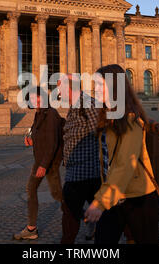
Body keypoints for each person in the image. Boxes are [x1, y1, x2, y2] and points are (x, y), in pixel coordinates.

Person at [85, 64, 159, 244]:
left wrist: (100, 202)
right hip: (115, 197)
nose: (94, 89)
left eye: (99, 84)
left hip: (139, 199)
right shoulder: (107, 117)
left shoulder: (131, 120)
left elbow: (125, 164)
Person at [14, 87, 63, 240]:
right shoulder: (39, 114)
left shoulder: (50, 114)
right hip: (41, 160)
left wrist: (43, 165)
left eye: (38, 98)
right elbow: (41, 136)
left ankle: (86, 217)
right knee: (32, 189)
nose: (35, 101)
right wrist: (32, 140)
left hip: (49, 162)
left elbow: (52, 142)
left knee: (58, 195)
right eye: (32, 98)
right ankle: (31, 228)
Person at [59, 74, 101, 244]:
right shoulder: (75, 106)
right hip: (75, 171)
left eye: (60, 87)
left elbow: (100, 134)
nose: (58, 92)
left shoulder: (88, 104)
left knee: (70, 213)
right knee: (71, 213)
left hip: (88, 172)